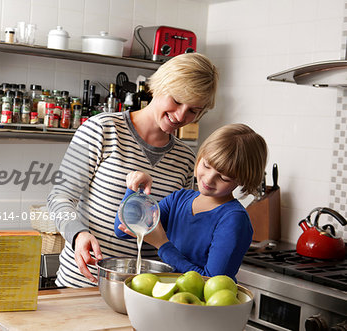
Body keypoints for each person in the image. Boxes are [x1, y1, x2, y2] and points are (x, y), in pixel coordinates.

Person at [46, 52, 219, 287]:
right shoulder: (101, 129)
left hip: (145, 290)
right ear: (159, 86)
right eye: (177, 101)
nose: (180, 116)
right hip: (82, 283)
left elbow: (175, 226)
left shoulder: (186, 159)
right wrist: (77, 234)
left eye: (193, 110)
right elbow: (59, 197)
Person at [115, 123, 268, 281]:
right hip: (169, 299)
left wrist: (162, 245)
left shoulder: (233, 220)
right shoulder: (179, 200)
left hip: (202, 305)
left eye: (224, 178)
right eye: (206, 165)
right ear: (200, 156)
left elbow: (211, 281)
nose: (209, 179)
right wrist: (135, 191)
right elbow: (122, 230)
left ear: (243, 179)